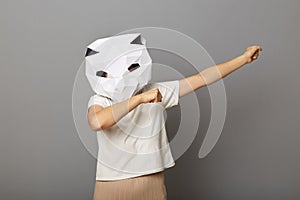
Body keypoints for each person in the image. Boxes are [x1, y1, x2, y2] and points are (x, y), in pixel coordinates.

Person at [86, 35, 262, 199]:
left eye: (131, 67)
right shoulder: (100, 100)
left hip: (151, 179)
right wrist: (139, 100)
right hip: (111, 182)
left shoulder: (157, 92)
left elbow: (202, 79)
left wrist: (243, 59)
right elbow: (97, 121)